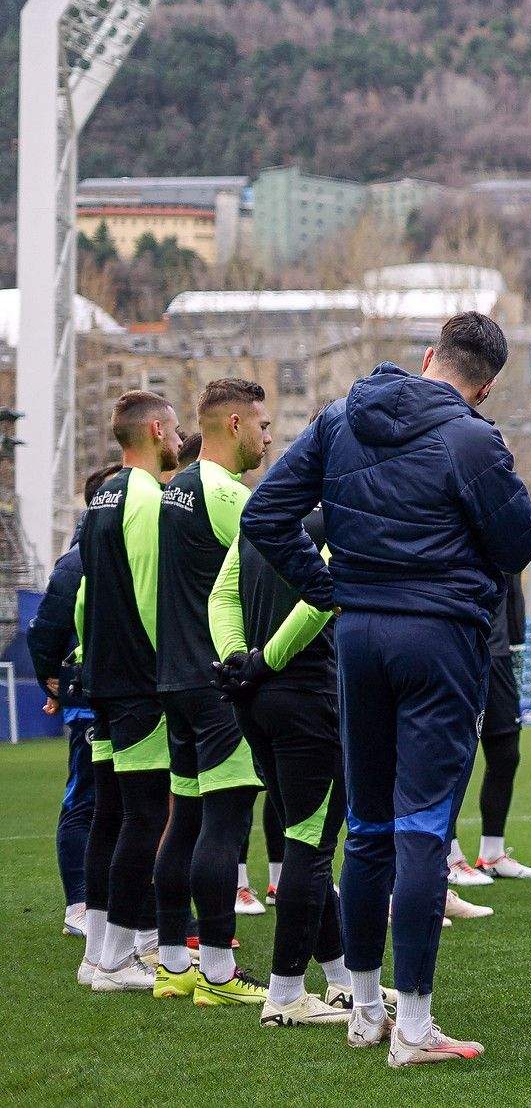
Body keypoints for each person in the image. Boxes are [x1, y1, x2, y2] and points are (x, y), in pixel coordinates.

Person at [242, 312, 531, 1066]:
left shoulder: (342, 416)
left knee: (368, 826)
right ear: (488, 381)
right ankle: (412, 1027)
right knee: (421, 828)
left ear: (429, 356)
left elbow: (265, 514)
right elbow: (519, 543)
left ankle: (365, 1006)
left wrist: (332, 588)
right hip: (437, 640)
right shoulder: (474, 439)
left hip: (360, 640)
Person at [213, 509, 373, 1025]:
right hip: (305, 698)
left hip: (254, 701)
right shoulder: (337, 522)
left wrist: (240, 660)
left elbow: (222, 596)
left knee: (304, 838)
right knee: (312, 844)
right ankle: (284, 997)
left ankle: (341, 981)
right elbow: (321, 596)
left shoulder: (258, 519)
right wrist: (265, 661)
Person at [152, 378, 273, 1006]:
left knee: (186, 819)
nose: (268, 437)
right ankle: (220, 975)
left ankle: (174, 964)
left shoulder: (173, 490)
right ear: (232, 424)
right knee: (224, 824)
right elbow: (272, 568)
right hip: (216, 682)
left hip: (174, 678)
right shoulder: (227, 495)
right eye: (261, 424)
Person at [75, 390, 182, 993]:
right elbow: (151, 596)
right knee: (146, 816)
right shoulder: (145, 496)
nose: (176, 440)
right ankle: (115, 960)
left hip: (106, 682)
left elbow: (91, 596)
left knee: (112, 815)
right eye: (171, 431)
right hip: (141, 683)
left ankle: (97, 951)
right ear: (155, 430)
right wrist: (168, 672)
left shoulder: (102, 499)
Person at [447, 583, 531, 884]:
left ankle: (492, 854)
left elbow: (512, 590)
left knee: (505, 754)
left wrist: (517, 645)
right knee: (452, 757)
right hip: (459, 645)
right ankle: (448, 857)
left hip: (499, 651)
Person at [29, 503, 95, 939]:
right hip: (89, 697)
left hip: (123, 695)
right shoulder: (75, 564)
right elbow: (43, 630)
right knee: (85, 799)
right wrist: (52, 686)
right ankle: (78, 903)